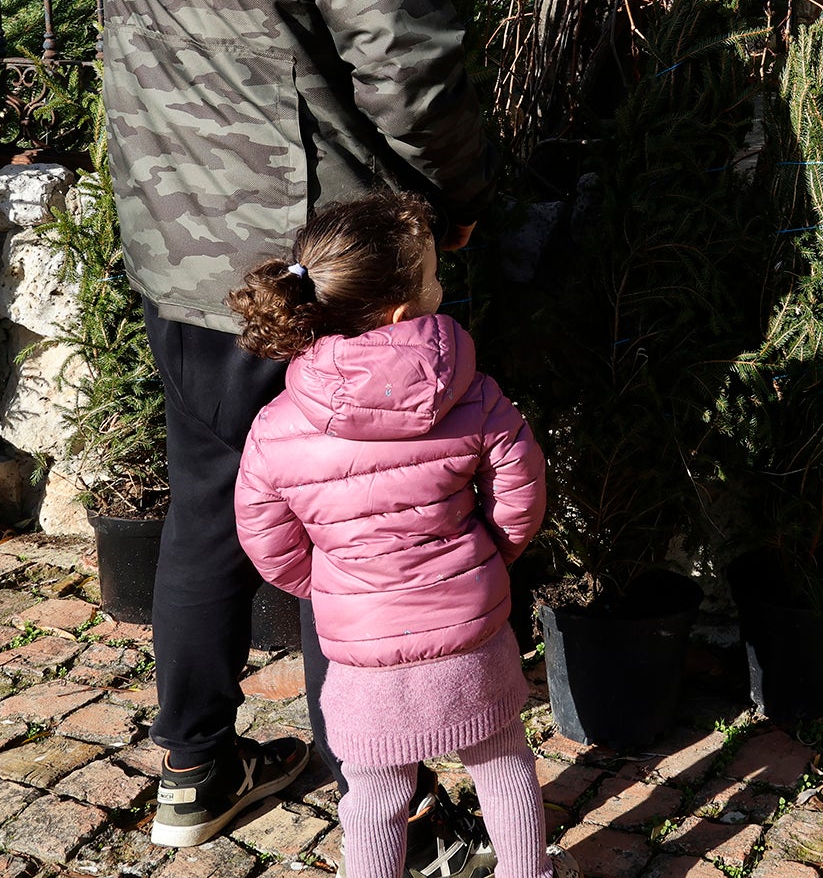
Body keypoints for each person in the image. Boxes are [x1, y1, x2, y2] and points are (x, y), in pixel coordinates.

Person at [97, 0, 494, 867]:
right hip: (322, 269)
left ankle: (191, 775)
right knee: (355, 526)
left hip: (185, 262)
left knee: (210, 507)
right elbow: (415, 80)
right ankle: (379, 789)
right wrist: (463, 203)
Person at [230, 193, 573, 878]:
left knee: (374, 795)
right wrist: (484, 559)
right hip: (469, 628)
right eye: (433, 278)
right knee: (502, 758)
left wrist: (332, 586)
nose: (442, 288)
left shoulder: (276, 424)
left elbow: (266, 540)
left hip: (361, 653)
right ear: (399, 312)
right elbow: (520, 491)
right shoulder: (474, 392)